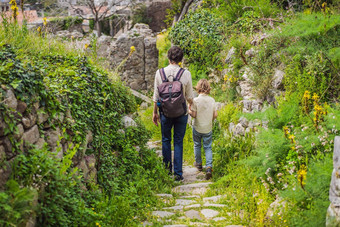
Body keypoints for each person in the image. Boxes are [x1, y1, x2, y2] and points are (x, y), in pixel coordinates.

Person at [152, 46, 194, 181]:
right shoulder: (186, 74)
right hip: (181, 112)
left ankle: (166, 170)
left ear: (168, 58)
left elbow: (156, 96)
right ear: (181, 59)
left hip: (164, 111)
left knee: (165, 139)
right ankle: (178, 173)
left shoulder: (159, 73)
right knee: (178, 141)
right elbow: (189, 96)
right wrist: (191, 106)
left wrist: (155, 113)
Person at [188, 79, 218, 180]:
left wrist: (189, 110)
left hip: (197, 127)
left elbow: (194, 115)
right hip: (208, 127)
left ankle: (199, 164)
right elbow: (215, 115)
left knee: (197, 145)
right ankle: (209, 167)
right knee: (208, 147)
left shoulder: (196, 100)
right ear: (208, 88)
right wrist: (210, 120)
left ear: (198, 88)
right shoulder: (212, 100)